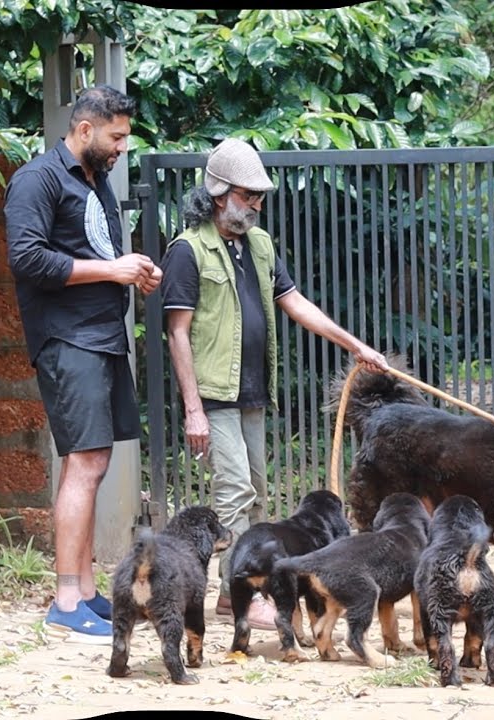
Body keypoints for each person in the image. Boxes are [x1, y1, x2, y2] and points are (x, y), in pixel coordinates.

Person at [160, 137, 389, 630]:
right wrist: (193, 408)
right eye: (249, 195)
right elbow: (177, 332)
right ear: (220, 193)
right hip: (215, 395)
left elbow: (295, 303)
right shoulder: (187, 250)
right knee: (235, 490)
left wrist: (354, 345)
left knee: (259, 492)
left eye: (260, 196)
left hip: (255, 391)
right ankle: (237, 594)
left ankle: (243, 589)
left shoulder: (258, 245)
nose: (258, 204)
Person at [4, 85, 161, 644]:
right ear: (86, 129)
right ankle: (65, 599)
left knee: (91, 464)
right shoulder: (37, 180)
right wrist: (112, 271)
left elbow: (97, 256)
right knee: (84, 463)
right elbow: (26, 257)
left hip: (101, 338)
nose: (122, 147)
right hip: (67, 340)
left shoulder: (95, 183)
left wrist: (132, 273)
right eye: (117, 136)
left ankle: (87, 591)